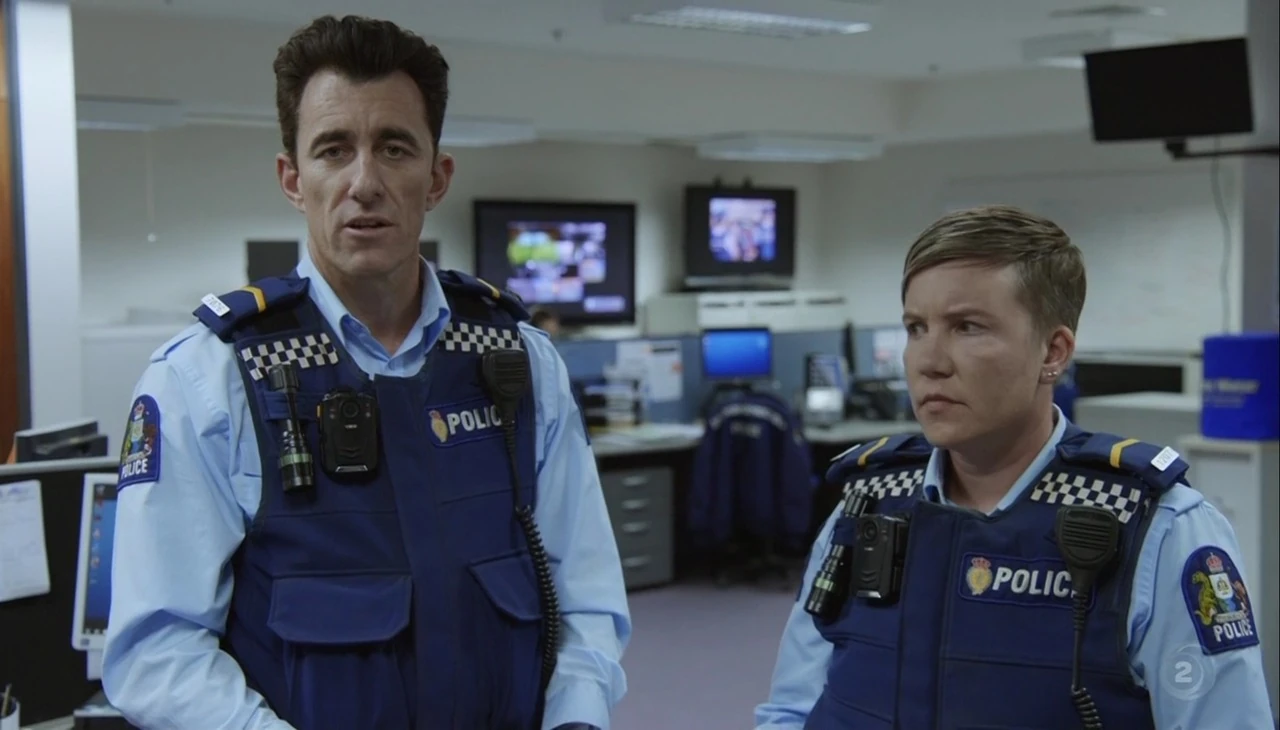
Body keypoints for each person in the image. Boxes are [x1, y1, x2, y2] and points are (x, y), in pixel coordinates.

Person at [101, 15, 630, 730]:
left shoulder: (520, 363)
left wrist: (576, 719)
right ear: (294, 179)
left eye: (394, 148)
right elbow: (158, 651)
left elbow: (587, 599)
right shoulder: (207, 378)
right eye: (333, 150)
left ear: (436, 177)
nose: (364, 183)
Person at [755, 205, 1274, 729]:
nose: (930, 361)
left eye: (967, 327)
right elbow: (791, 711)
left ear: (1053, 352)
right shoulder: (867, 502)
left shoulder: (1155, 526)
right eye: (916, 328)